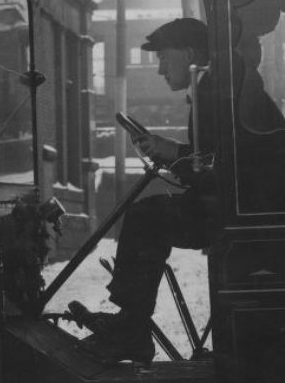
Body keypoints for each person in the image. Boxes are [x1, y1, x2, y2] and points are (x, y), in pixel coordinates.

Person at [79, 18, 220, 363]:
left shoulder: (214, 92)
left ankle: (131, 330)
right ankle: (131, 325)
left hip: (225, 207)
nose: (159, 70)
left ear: (188, 53)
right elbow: (212, 159)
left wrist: (172, 152)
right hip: (225, 203)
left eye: (162, 58)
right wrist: (170, 150)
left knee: (146, 217)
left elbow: (221, 163)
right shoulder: (212, 87)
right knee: (148, 214)